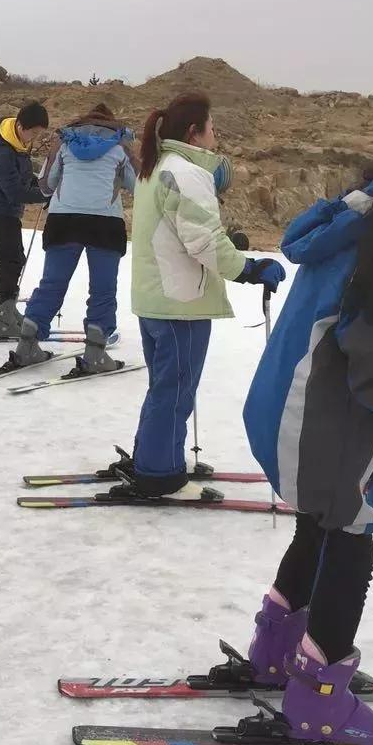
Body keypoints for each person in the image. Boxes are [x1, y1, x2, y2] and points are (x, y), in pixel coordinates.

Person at [235, 107, 373, 745]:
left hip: (300, 411)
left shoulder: (365, 217)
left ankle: (277, 652)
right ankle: (319, 700)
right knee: (351, 541)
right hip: (323, 424)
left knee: (322, 527)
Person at [119, 92, 285, 500]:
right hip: (181, 303)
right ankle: (160, 475)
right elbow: (204, 241)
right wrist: (248, 269)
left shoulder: (156, 167)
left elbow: (182, 232)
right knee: (175, 391)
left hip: (157, 298)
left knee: (165, 387)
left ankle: (153, 458)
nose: (216, 135)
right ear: (194, 132)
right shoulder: (186, 173)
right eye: (212, 128)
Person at [8, 103, 135, 372]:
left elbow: (46, 185)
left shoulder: (65, 141)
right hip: (105, 223)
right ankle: (96, 352)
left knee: (52, 283)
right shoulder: (120, 145)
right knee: (102, 288)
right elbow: (137, 183)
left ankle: (28, 343)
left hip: (63, 220)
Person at [0, 102, 50, 337]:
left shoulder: (15, 144)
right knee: (10, 261)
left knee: (15, 259)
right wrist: (46, 194)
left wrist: (43, 184)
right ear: (20, 126)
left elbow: (24, 178)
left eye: (39, 133)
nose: (34, 138)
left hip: (5, 213)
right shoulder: (1, 151)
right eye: (33, 132)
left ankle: (8, 308)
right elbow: (15, 191)